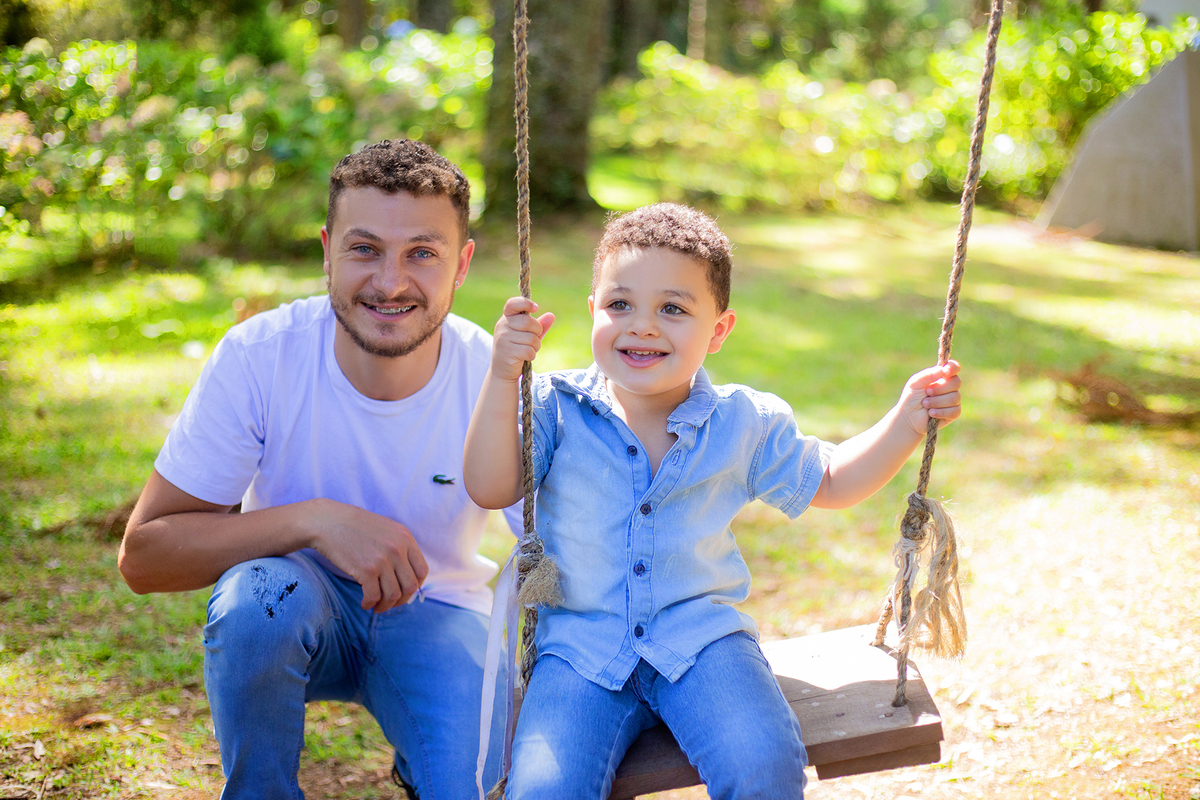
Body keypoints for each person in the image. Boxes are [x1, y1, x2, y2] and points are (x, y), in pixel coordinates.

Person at [462, 203, 963, 799]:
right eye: (620, 304)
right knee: (544, 789)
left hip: (703, 645)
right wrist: (503, 377)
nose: (642, 327)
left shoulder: (742, 422)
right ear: (593, 310)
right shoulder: (553, 407)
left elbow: (830, 480)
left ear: (719, 331)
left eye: (672, 309)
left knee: (762, 765)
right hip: (579, 654)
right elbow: (490, 487)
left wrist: (906, 421)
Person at [118, 139, 515, 800]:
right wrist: (315, 522)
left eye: (422, 253)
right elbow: (144, 557)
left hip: (441, 612)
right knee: (255, 603)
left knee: (482, 784)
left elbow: (560, 553)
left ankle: (428, 759)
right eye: (365, 250)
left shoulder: (496, 377)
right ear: (327, 252)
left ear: (463, 264)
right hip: (291, 602)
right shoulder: (261, 355)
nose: (390, 283)